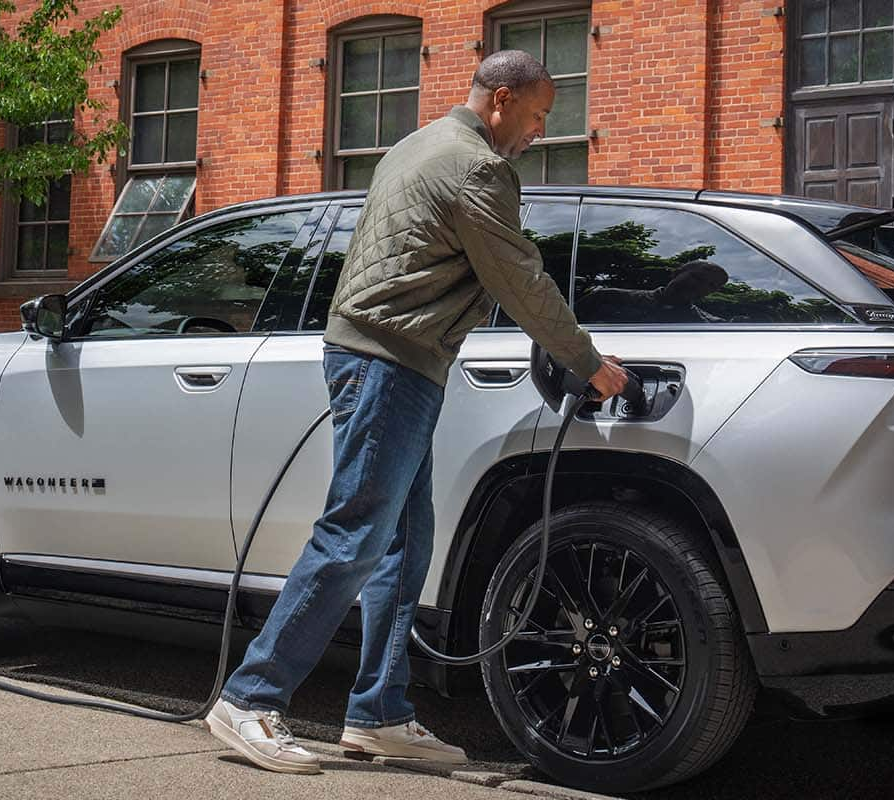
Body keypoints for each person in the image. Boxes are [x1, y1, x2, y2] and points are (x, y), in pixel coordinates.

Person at [202, 49, 629, 775]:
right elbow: (519, 279)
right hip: (387, 362)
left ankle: (379, 714)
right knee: (355, 537)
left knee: (402, 546)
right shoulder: (478, 168)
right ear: (500, 100)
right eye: (535, 115)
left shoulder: (415, 144)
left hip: (385, 358)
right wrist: (590, 362)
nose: (538, 132)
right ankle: (249, 699)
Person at [573, 260, 733, 324]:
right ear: (676, 273)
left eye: (711, 285)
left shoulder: (709, 325)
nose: (701, 287)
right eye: (697, 277)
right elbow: (560, 327)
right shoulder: (607, 298)